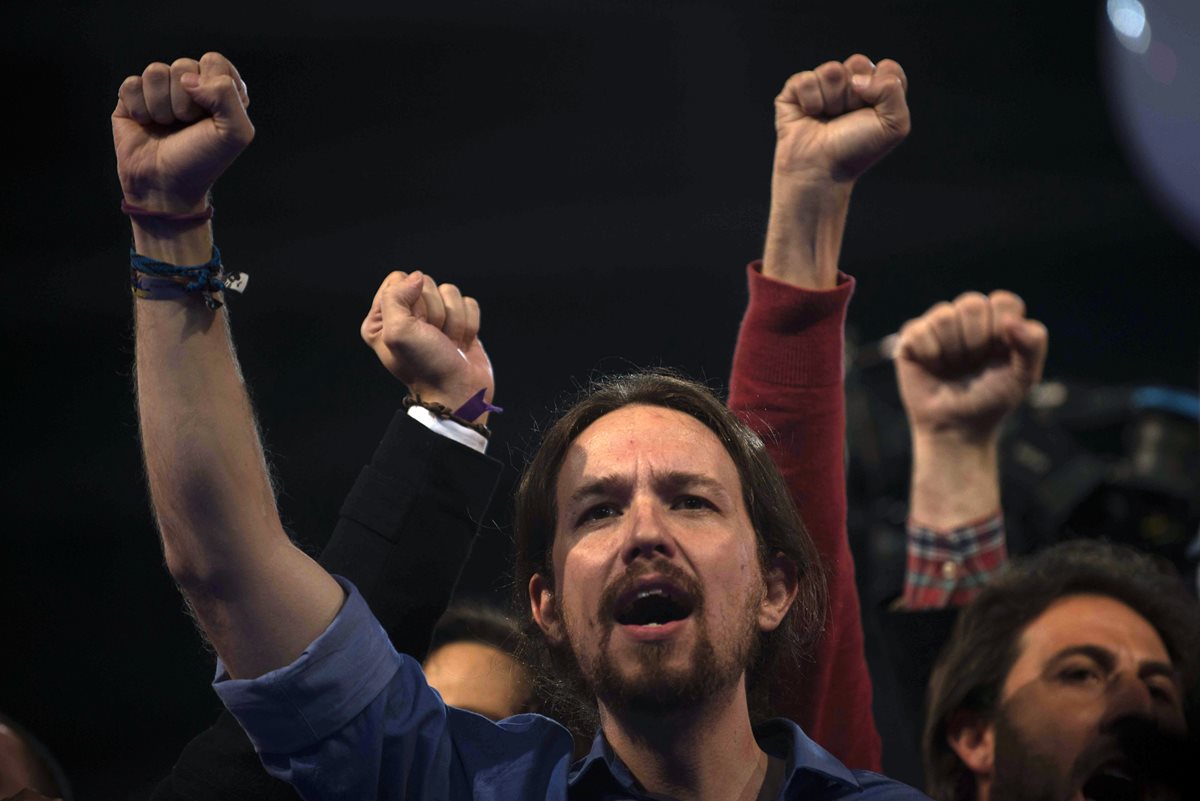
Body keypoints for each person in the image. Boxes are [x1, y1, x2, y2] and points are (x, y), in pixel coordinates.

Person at [117, 51, 927, 798]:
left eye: (691, 500)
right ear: (546, 606)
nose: (645, 530)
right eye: (599, 509)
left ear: (776, 588)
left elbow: (798, 467)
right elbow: (225, 564)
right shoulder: (461, 785)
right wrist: (168, 226)